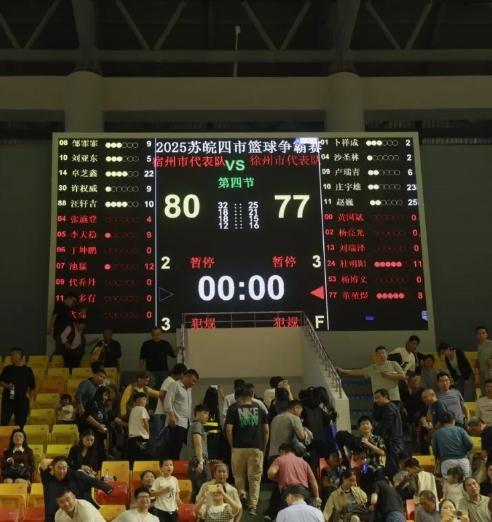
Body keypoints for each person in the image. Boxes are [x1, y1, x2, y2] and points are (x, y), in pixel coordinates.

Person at [225, 383, 269, 516]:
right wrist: (263, 447)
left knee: (238, 475)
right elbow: (266, 430)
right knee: (255, 478)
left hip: (238, 447)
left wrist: (232, 446)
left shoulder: (233, 408)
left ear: (239, 396)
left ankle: (242, 493)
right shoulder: (260, 409)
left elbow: (229, 429)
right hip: (256, 447)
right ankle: (253, 506)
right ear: (252, 395)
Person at [40, 456, 112, 522]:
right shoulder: (47, 477)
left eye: (64, 468)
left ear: (67, 468)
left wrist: (107, 489)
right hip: (51, 514)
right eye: (59, 467)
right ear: (53, 468)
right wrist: (58, 460)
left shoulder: (73, 476)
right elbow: (43, 462)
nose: (61, 471)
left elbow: (90, 480)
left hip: (69, 513)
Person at [266, 443, 321, 520]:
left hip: (289, 493)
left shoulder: (279, 459)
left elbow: (270, 473)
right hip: (304, 492)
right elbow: (313, 481)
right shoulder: (304, 462)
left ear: (282, 451)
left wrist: (277, 478)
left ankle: (270, 514)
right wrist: (317, 497)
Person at [335, 415, 385, 494]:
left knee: (377, 487)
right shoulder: (357, 441)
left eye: (367, 423)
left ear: (371, 426)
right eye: (362, 424)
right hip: (364, 467)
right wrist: (353, 454)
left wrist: (368, 443)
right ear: (359, 428)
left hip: (377, 467)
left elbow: (382, 452)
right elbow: (355, 458)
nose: (365, 426)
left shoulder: (378, 438)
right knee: (364, 483)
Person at [337, 346, 406, 402]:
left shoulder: (393, 364)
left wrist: (391, 376)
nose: (381, 355)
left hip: (393, 398)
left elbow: (403, 377)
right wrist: (343, 370)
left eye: (383, 353)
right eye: (379, 353)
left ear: (387, 354)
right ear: (376, 355)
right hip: (378, 399)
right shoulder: (372, 368)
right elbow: (358, 372)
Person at [163, 369, 199, 460]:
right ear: (187, 376)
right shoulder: (175, 385)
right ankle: (172, 466)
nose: (194, 383)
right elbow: (168, 401)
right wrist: (171, 416)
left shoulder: (189, 389)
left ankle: (196, 463)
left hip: (187, 423)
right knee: (175, 449)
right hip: (177, 422)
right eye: (193, 380)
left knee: (193, 445)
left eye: (195, 382)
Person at [0, 347, 35, 428]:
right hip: (8, 399)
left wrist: (31, 398)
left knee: (20, 423)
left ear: (20, 356)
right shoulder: (7, 369)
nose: (11, 357)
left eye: (13, 355)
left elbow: (32, 386)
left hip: (22, 400)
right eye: (11, 355)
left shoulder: (28, 370)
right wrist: (7, 386)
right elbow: (1, 381)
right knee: (4, 421)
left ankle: (18, 435)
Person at [373, 388, 404, 478]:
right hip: (394, 441)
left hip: (393, 442)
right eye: (375, 398)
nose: (376, 400)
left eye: (378, 397)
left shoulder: (389, 407)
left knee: (392, 469)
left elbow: (386, 426)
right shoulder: (389, 407)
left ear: (385, 396)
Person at [432, 411, 473, 477]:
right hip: (463, 460)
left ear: (440, 422)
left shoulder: (437, 433)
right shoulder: (460, 430)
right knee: (466, 481)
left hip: (446, 462)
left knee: (449, 482)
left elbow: (435, 451)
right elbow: (470, 444)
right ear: (453, 420)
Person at [154, 363, 187, 434]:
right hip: (162, 413)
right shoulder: (170, 381)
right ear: (181, 373)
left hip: (163, 414)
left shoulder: (173, 382)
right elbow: (161, 394)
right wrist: (167, 409)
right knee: (161, 437)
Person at [80, 385, 110, 463]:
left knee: (101, 455)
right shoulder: (91, 403)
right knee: (92, 455)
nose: (106, 398)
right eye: (105, 395)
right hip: (91, 433)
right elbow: (88, 417)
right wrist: (99, 426)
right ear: (100, 394)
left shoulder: (103, 406)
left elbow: (104, 421)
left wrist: (104, 428)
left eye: (107, 396)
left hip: (101, 434)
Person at [188, 404, 211, 501]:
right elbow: (197, 443)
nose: (207, 416)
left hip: (197, 460)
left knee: (198, 489)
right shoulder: (197, 425)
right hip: (198, 461)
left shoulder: (195, 425)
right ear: (197, 413)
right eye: (205, 413)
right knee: (206, 487)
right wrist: (201, 462)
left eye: (208, 414)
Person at [127, 391, 151, 464]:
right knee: (143, 460)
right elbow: (145, 423)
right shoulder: (142, 409)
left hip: (132, 438)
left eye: (145, 399)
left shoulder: (132, 410)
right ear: (137, 400)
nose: (145, 401)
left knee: (133, 460)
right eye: (143, 399)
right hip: (141, 438)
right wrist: (148, 434)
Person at [476, 326, 492, 393]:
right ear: (476, 335)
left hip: (490, 371)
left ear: (486, 334)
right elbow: (479, 359)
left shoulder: (490, 343)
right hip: (482, 371)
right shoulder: (478, 346)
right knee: (483, 390)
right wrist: (477, 371)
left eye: (483, 333)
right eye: (479, 333)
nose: (481, 335)